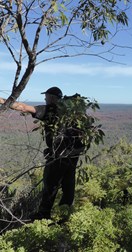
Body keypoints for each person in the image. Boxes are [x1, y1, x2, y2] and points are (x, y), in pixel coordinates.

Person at [0, 87, 85, 220]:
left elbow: (23, 107)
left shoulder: (50, 110)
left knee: (50, 185)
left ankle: (43, 215)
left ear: (52, 97)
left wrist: (2, 101)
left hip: (57, 156)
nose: (45, 99)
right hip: (72, 155)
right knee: (68, 186)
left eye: (46, 96)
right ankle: (65, 215)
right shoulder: (72, 112)